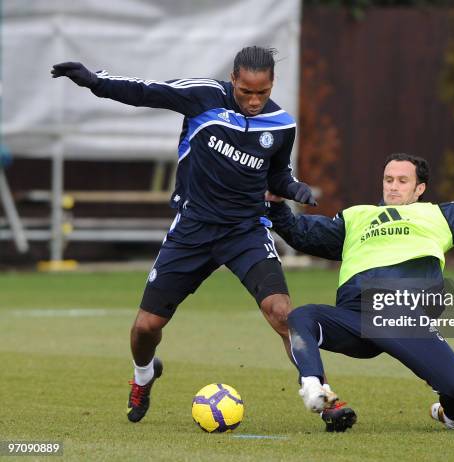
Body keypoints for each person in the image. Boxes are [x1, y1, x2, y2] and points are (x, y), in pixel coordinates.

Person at [51, 46, 316, 423]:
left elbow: (276, 175)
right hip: (192, 230)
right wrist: (95, 82)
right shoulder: (202, 96)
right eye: (246, 92)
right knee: (146, 327)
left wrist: (294, 189)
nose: (255, 101)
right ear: (233, 81)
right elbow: (146, 90)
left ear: (272, 85)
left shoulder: (281, 124)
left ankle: (318, 391)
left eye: (263, 92)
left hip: (246, 231)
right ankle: (144, 375)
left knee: (282, 313)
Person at [266, 128, 454, 432]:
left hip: (401, 316)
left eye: (402, 181)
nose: (393, 187)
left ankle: (451, 415)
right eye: (388, 180)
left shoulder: (438, 216)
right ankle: (314, 387)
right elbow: (301, 233)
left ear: (420, 189)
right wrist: (276, 204)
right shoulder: (355, 217)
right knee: (301, 316)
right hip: (354, 317)